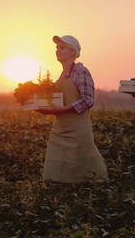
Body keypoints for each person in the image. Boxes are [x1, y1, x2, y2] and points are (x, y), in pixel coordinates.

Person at [35, 35, 108, 183]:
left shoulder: (81, 71)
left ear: (73, 52)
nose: (57, 50)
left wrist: (62, 110)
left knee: (84, 168)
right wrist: (44, 106)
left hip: (78, 128)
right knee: (56, 162)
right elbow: (57, 102)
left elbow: (88, 100)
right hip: (60, 128)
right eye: (57, 47)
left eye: (62, 47)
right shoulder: (61, 75)